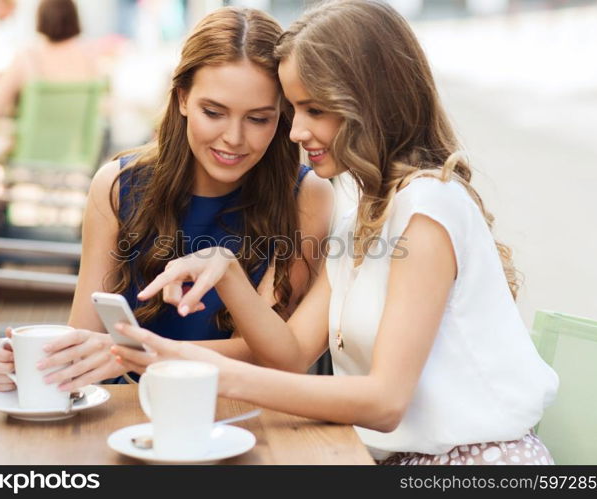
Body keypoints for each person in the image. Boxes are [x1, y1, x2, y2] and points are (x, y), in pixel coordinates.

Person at [111, 0, 559, 465]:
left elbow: (385, 403)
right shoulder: (365, 218)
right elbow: (292, 353)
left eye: (314, 109)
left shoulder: (427, 208)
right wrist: (226, 272)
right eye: (293, 110)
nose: (295, 131)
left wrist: (215, 373)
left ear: (370, 103)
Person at [0, 7, 333, 392]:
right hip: (125, 413)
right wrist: (21, 364)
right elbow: (84, 334)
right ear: (182, 98)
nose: (234, 137)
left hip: (240, 415)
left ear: (281, 115)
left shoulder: (306, 196)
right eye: (213, 112)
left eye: (258, 119)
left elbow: (272, 356)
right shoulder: (118, 185)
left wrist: (132, 353)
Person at [0, 0, 99, 118]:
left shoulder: (29, 57)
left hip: (34, 136)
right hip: (78, 136)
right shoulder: (88, 57)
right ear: (74, 18)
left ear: (41, 18)